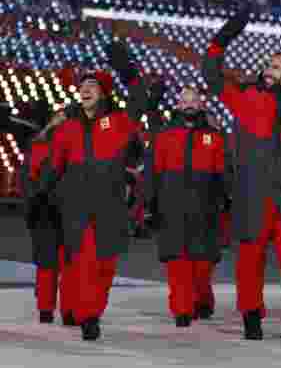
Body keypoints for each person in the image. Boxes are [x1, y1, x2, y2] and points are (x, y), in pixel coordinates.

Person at [202, 6, 281, 340]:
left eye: (277, 66)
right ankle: (252, 315)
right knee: (249, 259)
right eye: (268, 64)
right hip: (254, 192)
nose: (269, 69)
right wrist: (223, 39)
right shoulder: (246, 97)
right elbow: (211, 74)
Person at [45, 43, 149, 341]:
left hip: (110, 204)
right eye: (83, 86)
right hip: (76, 204)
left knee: (104, 265)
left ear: (103, 93)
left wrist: (127, 70)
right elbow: (55, 164)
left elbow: (140, 98)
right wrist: (43, 194)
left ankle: (90, 310)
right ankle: (87, 315)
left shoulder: (118, 122)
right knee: (82, 262)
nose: (85, 89)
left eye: (92, 85)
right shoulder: (68, 126)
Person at [146, 85, 227, 327]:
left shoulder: (215, 137)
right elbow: (152, 173)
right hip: (172, 208)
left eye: (194, 100)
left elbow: (224, 173)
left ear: (201, 105)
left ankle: (202, 300)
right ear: (179, 105)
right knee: (177, 261)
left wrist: (226, 201)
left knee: (203, 263)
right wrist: (150, 206)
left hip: (206, 209)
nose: (190, 104)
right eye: (185, 100)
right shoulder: (164, 136)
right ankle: (181, 308)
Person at [21, 109, 72, 325]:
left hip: (66, 211)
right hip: (49, 211)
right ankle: (49, 309)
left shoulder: (80, 147)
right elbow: (27, 181)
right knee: (51, 264)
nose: (62, 121)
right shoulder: (38, 146)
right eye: (59, 116)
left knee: (65, 265)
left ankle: (62, 310)